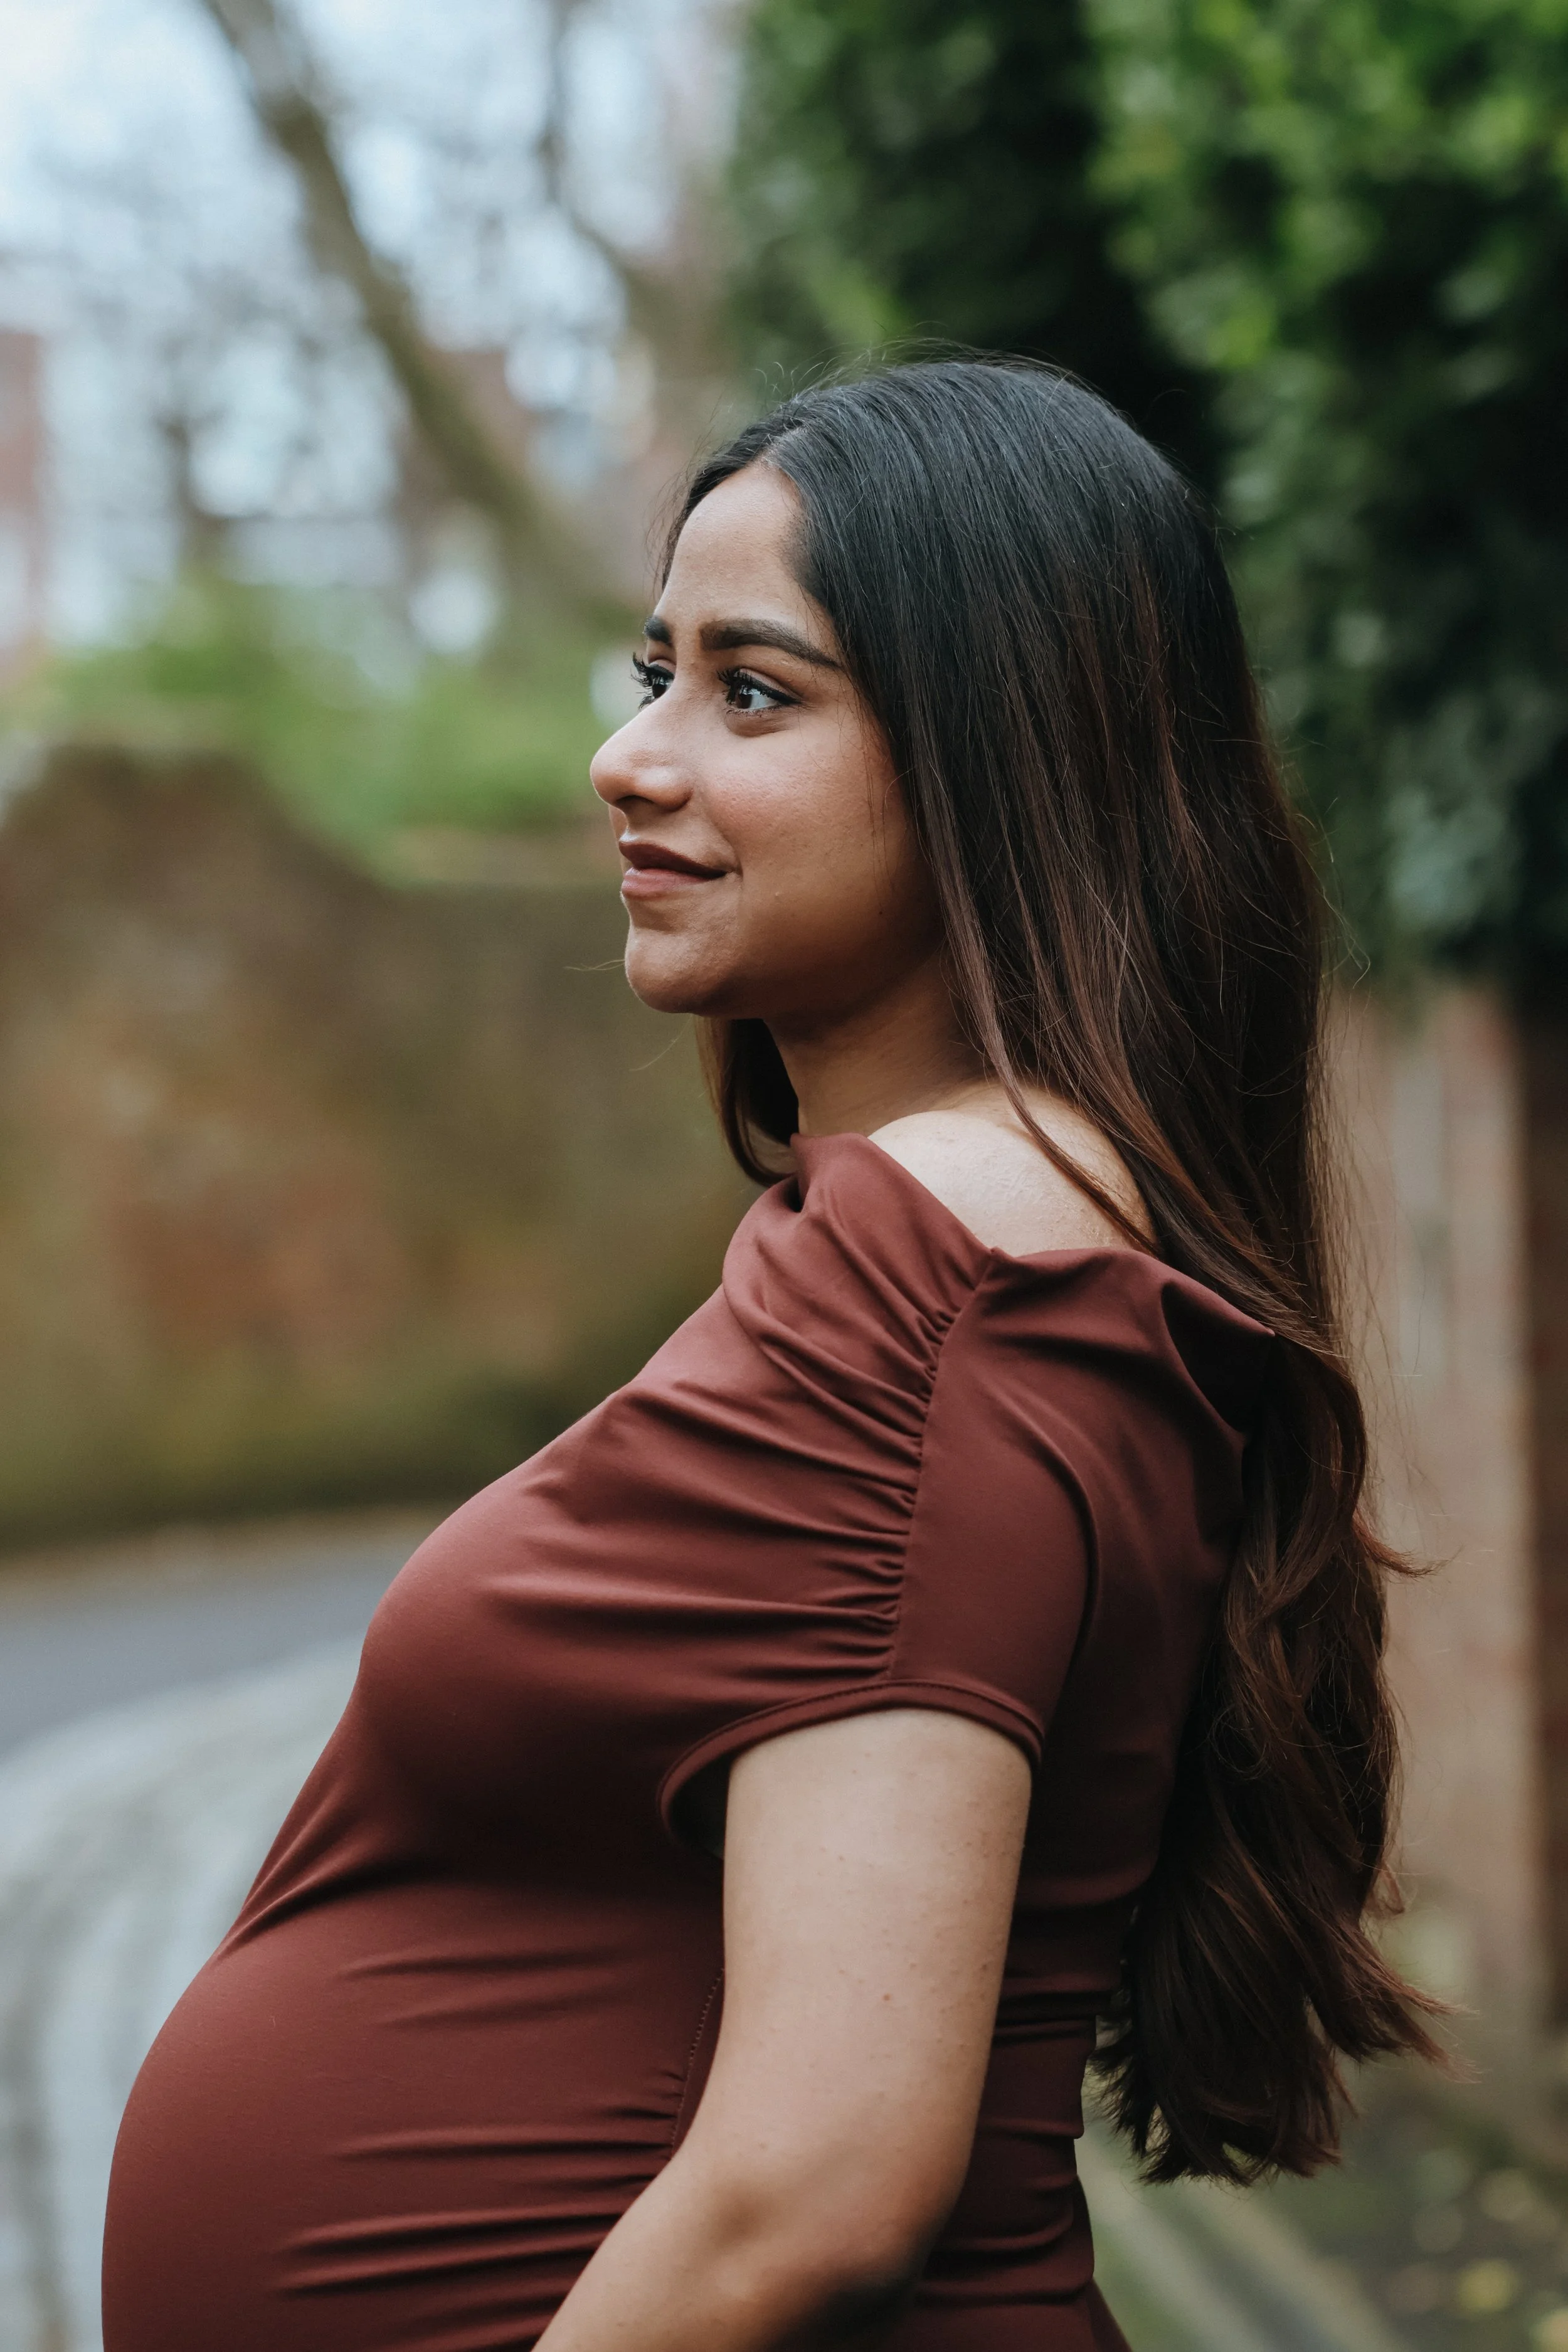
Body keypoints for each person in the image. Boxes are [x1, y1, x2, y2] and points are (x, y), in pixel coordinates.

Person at [101, 359, 1436, 2352]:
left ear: (1008, 754)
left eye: (753, 691)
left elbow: (822, 2180)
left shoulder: (929, 1276)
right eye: (653, 672)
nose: (629, 760)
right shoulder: (982, 1246)